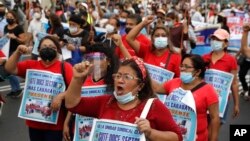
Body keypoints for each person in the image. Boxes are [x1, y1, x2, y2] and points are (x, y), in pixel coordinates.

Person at [64, 57, 183, 141]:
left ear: (140, 85)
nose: (120, 80)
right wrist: (77, 79)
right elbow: (72, 104)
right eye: (118, 76)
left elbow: (177, 137)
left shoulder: (153, 106)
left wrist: (150, 132)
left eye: (127, 77)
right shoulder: (105, 102)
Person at [4, 36, 73, 141]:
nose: (48, 49)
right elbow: (10, 68)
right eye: (44, 47)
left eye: (51, 47)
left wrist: (61, 96)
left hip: (55, 123)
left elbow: (75, 90)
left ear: (58, 50)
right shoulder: (31, 65)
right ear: (39, 50)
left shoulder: (65, 67)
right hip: (34, 122)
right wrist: (18, 52)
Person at [153, 54, 220, 141]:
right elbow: (156, 88)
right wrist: (143, 71)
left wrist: (213, 139)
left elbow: (215, 118)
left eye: (187, 67)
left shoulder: (209, 91)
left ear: (198, 71)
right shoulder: (174, 82)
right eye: (181, 66)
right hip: (172, 136)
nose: (182, 69)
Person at [202, 29, 240, 122]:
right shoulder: (204, 58)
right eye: (213, 39)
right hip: (203, 99)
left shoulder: (231, 60)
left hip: (221, 101)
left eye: (218, 40)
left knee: (213, 132)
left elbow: (234, 83)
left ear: (226, 44)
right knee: (203, 130)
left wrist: (236, 104)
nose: (215, 42)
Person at [4, 10, 26, 98]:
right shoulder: (6, 27)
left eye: (11, 17)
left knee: (11, 71)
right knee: (7, 71)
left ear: (15, 18)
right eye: (7, 17)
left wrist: (15, 37)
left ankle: (18, 89)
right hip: (6, 51)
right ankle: (14, 89)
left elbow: (23, 41)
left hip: (16, 52)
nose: (9, 19)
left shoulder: (18, 28)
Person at [238, 23, 250, 100]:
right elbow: (244, 48)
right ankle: (245, 89)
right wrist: (245, 32)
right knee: (241, 75)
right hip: (246, 59)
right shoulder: (247, 34)